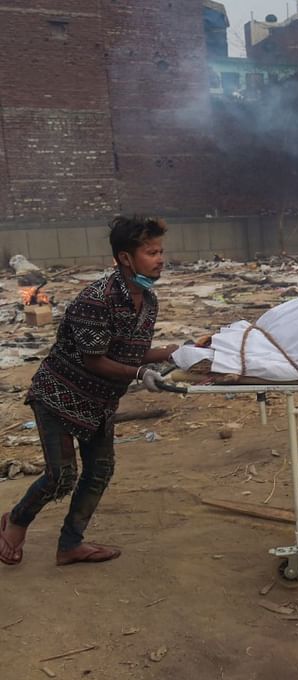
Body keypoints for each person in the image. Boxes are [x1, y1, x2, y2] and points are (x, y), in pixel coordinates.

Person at [0, 216, 178, 566]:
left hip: (99, 402)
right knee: (61, 476)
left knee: (100, 470)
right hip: (59, 397)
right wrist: (141, 372)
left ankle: (70, 544)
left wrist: (180, 350)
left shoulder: (148, 301)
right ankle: (15, 523)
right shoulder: (97, 299)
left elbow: (131, 350)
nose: (160, 259)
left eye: (161, 251)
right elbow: (95, 360)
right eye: (151, 252)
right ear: (126, 258)